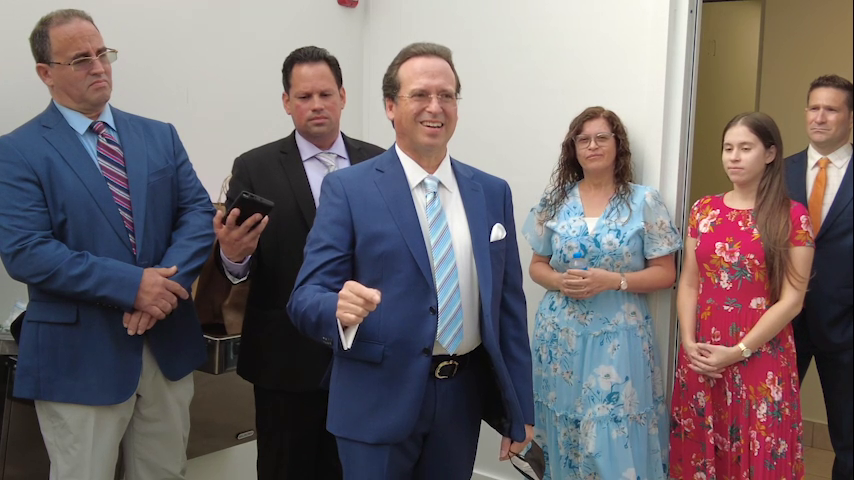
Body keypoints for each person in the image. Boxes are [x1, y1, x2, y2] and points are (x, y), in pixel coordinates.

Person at [287, 42, 534, 480]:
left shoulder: (491, 192)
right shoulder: (349, 189)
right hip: (375, 401)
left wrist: (521, 408)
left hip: (460, 400)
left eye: (447, 95)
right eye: (420, 94)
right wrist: (337, 308)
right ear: (390, 106)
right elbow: (305, 297)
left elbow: (509, 309)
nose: (435, 107)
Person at [0, 9, 215, 480]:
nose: (98, 67)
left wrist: (162, 292)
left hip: (166, 347)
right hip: (79, 358)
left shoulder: (159, 135)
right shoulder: (16, 152)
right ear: (45, 73)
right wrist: (133, 286)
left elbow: (199, 215)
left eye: (103, 54)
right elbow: (26, 251)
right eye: (81, 59)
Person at [213, 46, 384, 480]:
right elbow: (239, 267)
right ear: (287, 102)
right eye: (304, 97)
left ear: (343, 96)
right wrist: (233, 255)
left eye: (325, 94)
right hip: (284, 359)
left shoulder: (380, 162)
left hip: (367, 353)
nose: (317, 105)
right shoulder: (255, 167)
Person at [522, 106, 681, 480]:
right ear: (573, 149)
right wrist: (559, 282)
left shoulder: (644, 201)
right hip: (560, 338)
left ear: (618, 145)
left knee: (613, 429)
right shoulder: (555, 200)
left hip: (618, 338)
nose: (592, 146)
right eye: (583, 139)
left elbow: (667, 273)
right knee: (563, 426)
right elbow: (537, 265)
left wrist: (614, 280)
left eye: (601, 138)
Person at [670, 112, 814, 479]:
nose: (734, 157)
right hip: (703, 353)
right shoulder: (704, 210)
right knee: (703, 450)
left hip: (760, 352)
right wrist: (688, 341)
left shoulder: (791, 216)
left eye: (745, 148)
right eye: (728, 148)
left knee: (759, 451)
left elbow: (793, 300)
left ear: (770, 154)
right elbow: (689, 282)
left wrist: (738, 351)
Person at [784, 74, 853, 480]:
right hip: (782, 324)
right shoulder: (779, 171)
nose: (820, 117)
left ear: (850, 117)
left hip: (846, 327)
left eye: (831, 109)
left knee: (848, 439)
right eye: (814, 108)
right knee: (771, 426)